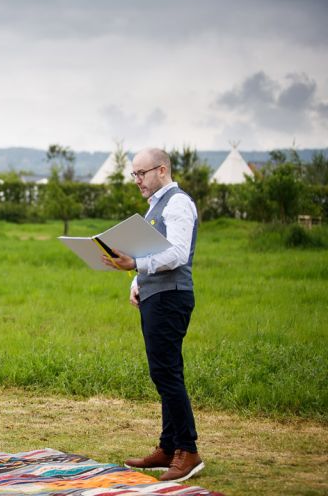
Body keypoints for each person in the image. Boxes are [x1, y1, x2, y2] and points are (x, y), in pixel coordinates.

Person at [101, 148, 204, 483]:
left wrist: (136, 265)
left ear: (162, 170)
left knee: (166, 373)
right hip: (155, 296)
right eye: (134, 174)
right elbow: (148, 253)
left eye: (141, 173)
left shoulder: (178, 203)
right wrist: (136, 280)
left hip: (172, 297)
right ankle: (167, 446)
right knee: (163, 372)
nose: (136, 181)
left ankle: (188, 450)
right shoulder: (154, 208)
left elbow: (176, 253)